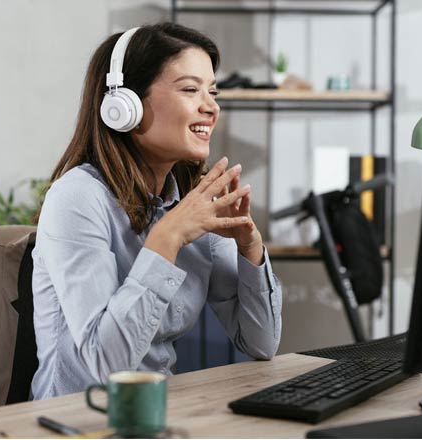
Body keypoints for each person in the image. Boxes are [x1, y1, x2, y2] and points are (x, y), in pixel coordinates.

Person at [30, 22, 283, 399]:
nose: (211, 107)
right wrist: (167, 238)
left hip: (155, 415)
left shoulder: (189, 203)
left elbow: (261, 343)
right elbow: (106, 366)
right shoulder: (77, 198)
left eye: (212, 91)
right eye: (190, 89)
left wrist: (251, 247)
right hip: (76, 422)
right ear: (123, 106)